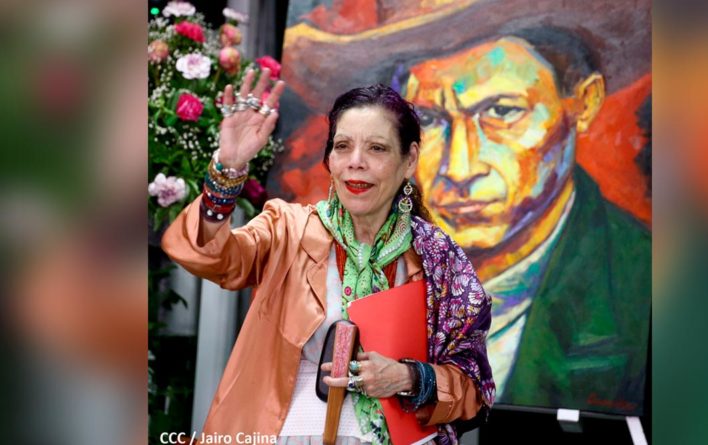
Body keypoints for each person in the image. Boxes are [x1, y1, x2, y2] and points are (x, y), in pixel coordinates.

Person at [161, 71, 495, 444]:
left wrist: (409, 377)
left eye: (377, 148)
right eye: (342, 146)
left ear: (409, 159)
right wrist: (227, 169)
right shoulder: (289, 228)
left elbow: (474, 388)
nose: (356, 162)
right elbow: (211, 255)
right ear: (329, 159)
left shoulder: (438, 259)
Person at [395, 28, 651, 413]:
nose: (461, 169)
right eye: (429, 118)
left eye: (501, 111)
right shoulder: (382, 258)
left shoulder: (650, 288)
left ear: (583, 102)